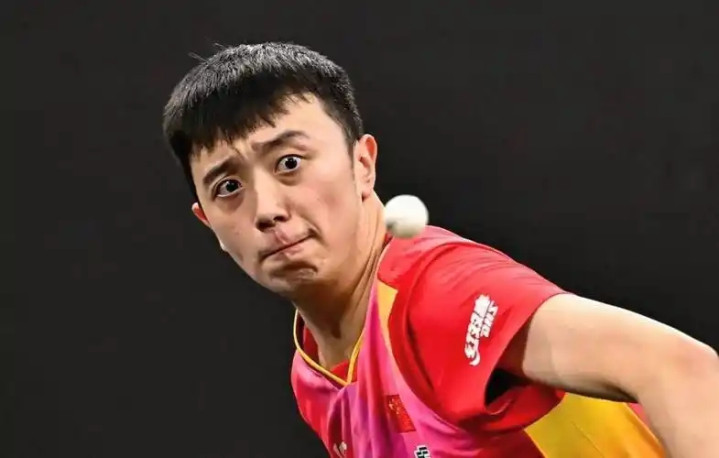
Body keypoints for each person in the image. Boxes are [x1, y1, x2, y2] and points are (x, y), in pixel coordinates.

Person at [161, 42, 719, 457]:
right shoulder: (315, 374)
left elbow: (680, 369)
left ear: (362, 164)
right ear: (207, 220)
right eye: (228, 187)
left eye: (289, 163)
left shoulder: (434, 295)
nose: (266, 209)